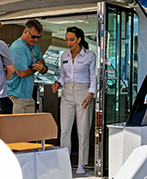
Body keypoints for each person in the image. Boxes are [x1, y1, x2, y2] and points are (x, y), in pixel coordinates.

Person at [52, 26, 96, 174]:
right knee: (64, 130)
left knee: (83, 130)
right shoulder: (64, 55)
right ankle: (64, 162)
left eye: (72, 40)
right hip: (66, 94)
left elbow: (93, 77)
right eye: (67, 40)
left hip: (84, 92)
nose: (68, 42)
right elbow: (63, 76)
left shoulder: (90, 55)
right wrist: (58, 83)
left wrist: (90, 94)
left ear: (79, 39)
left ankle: (82, 165)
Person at [7, 19, 48, 114]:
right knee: (16, 128)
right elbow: (22, 72)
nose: (35, 40)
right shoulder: (18, 47)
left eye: (38, 37)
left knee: (29, 127)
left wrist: (42, 68)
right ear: (25, 31)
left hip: (29, 96)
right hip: (16, 96)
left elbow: (44, 68)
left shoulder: (35, 47)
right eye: (33, 37)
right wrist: (35, 68)